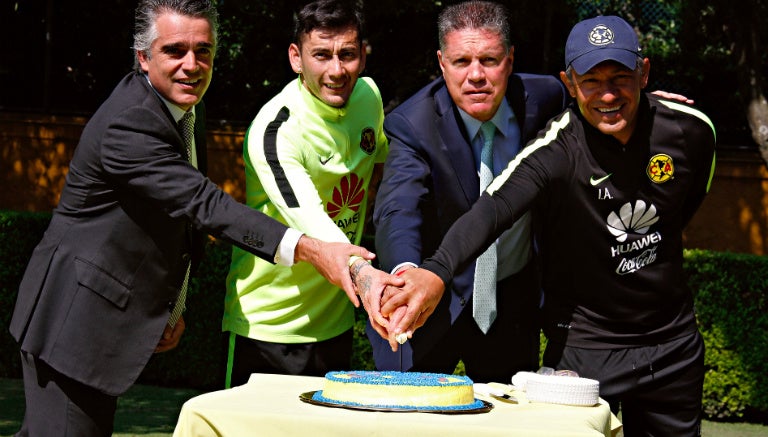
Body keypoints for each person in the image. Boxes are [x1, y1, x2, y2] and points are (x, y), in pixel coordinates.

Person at [8, 1, 394, 435]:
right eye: (175, 50)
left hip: (103, 320)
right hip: (74, 323)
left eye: (203, 50)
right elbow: (206, 207)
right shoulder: (130, 123)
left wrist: (172, 307)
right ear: (142, 57)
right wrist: (315, 250)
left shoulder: (183, 107)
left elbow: (177, 224)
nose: (192, 65)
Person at [384, 15, 716, 436]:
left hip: (673, 345)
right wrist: (435, 270)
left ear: (644, 73)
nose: (608, 94)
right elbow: (494, 208)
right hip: (586, 346)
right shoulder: (555, 147)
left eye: (621, 77)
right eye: (591, 81)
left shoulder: (692, 129)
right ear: (570, 83)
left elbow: (682, 207)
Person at [366, 0, 568, 382]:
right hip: (427, 303)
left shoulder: (545, 99)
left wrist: (650, 108)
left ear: (509, 59)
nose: (476, 75)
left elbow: (600, 106)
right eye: (461, 62)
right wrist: (406, 276)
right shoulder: (413, 124)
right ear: (442, 63)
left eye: (489, 60)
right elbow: (398, 208)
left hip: (511, 304)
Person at [223, 0, 393, 387]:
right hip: (268, 329)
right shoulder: (276, 129)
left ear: (362, 57)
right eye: (322, 55)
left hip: (335, 326)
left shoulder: (369, 97)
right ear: (296, 58)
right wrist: (366, 276)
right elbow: (311, 221)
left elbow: (389, 159)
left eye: (347, 54)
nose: (337, 70)